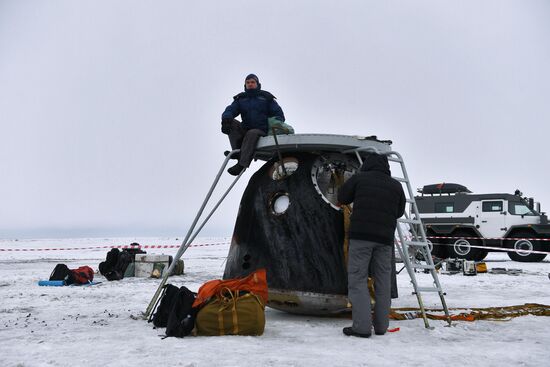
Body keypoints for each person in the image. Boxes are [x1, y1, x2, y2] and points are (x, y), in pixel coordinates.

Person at [337, 153, 405, 338]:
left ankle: (362, 327)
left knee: (358, 280)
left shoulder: (360, 178)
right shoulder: (396, 185)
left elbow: (342, 196)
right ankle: (381, 327)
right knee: (383, 283)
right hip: (385, 240)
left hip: (361, 238)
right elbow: (399, 212)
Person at [221, 74, 285, 176]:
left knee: (252, 133)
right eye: (248, 82)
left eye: (252, 82)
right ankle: (237, 152)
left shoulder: (266, 98)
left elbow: (279, 114)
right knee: (231, 122)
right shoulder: (241, 99)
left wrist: (275, 124)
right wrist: (226, 120)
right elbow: (230, 109)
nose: (250, 84)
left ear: (257, 84)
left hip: (261, 131)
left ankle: (241, 165)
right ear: (245, 85)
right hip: (245, 129)